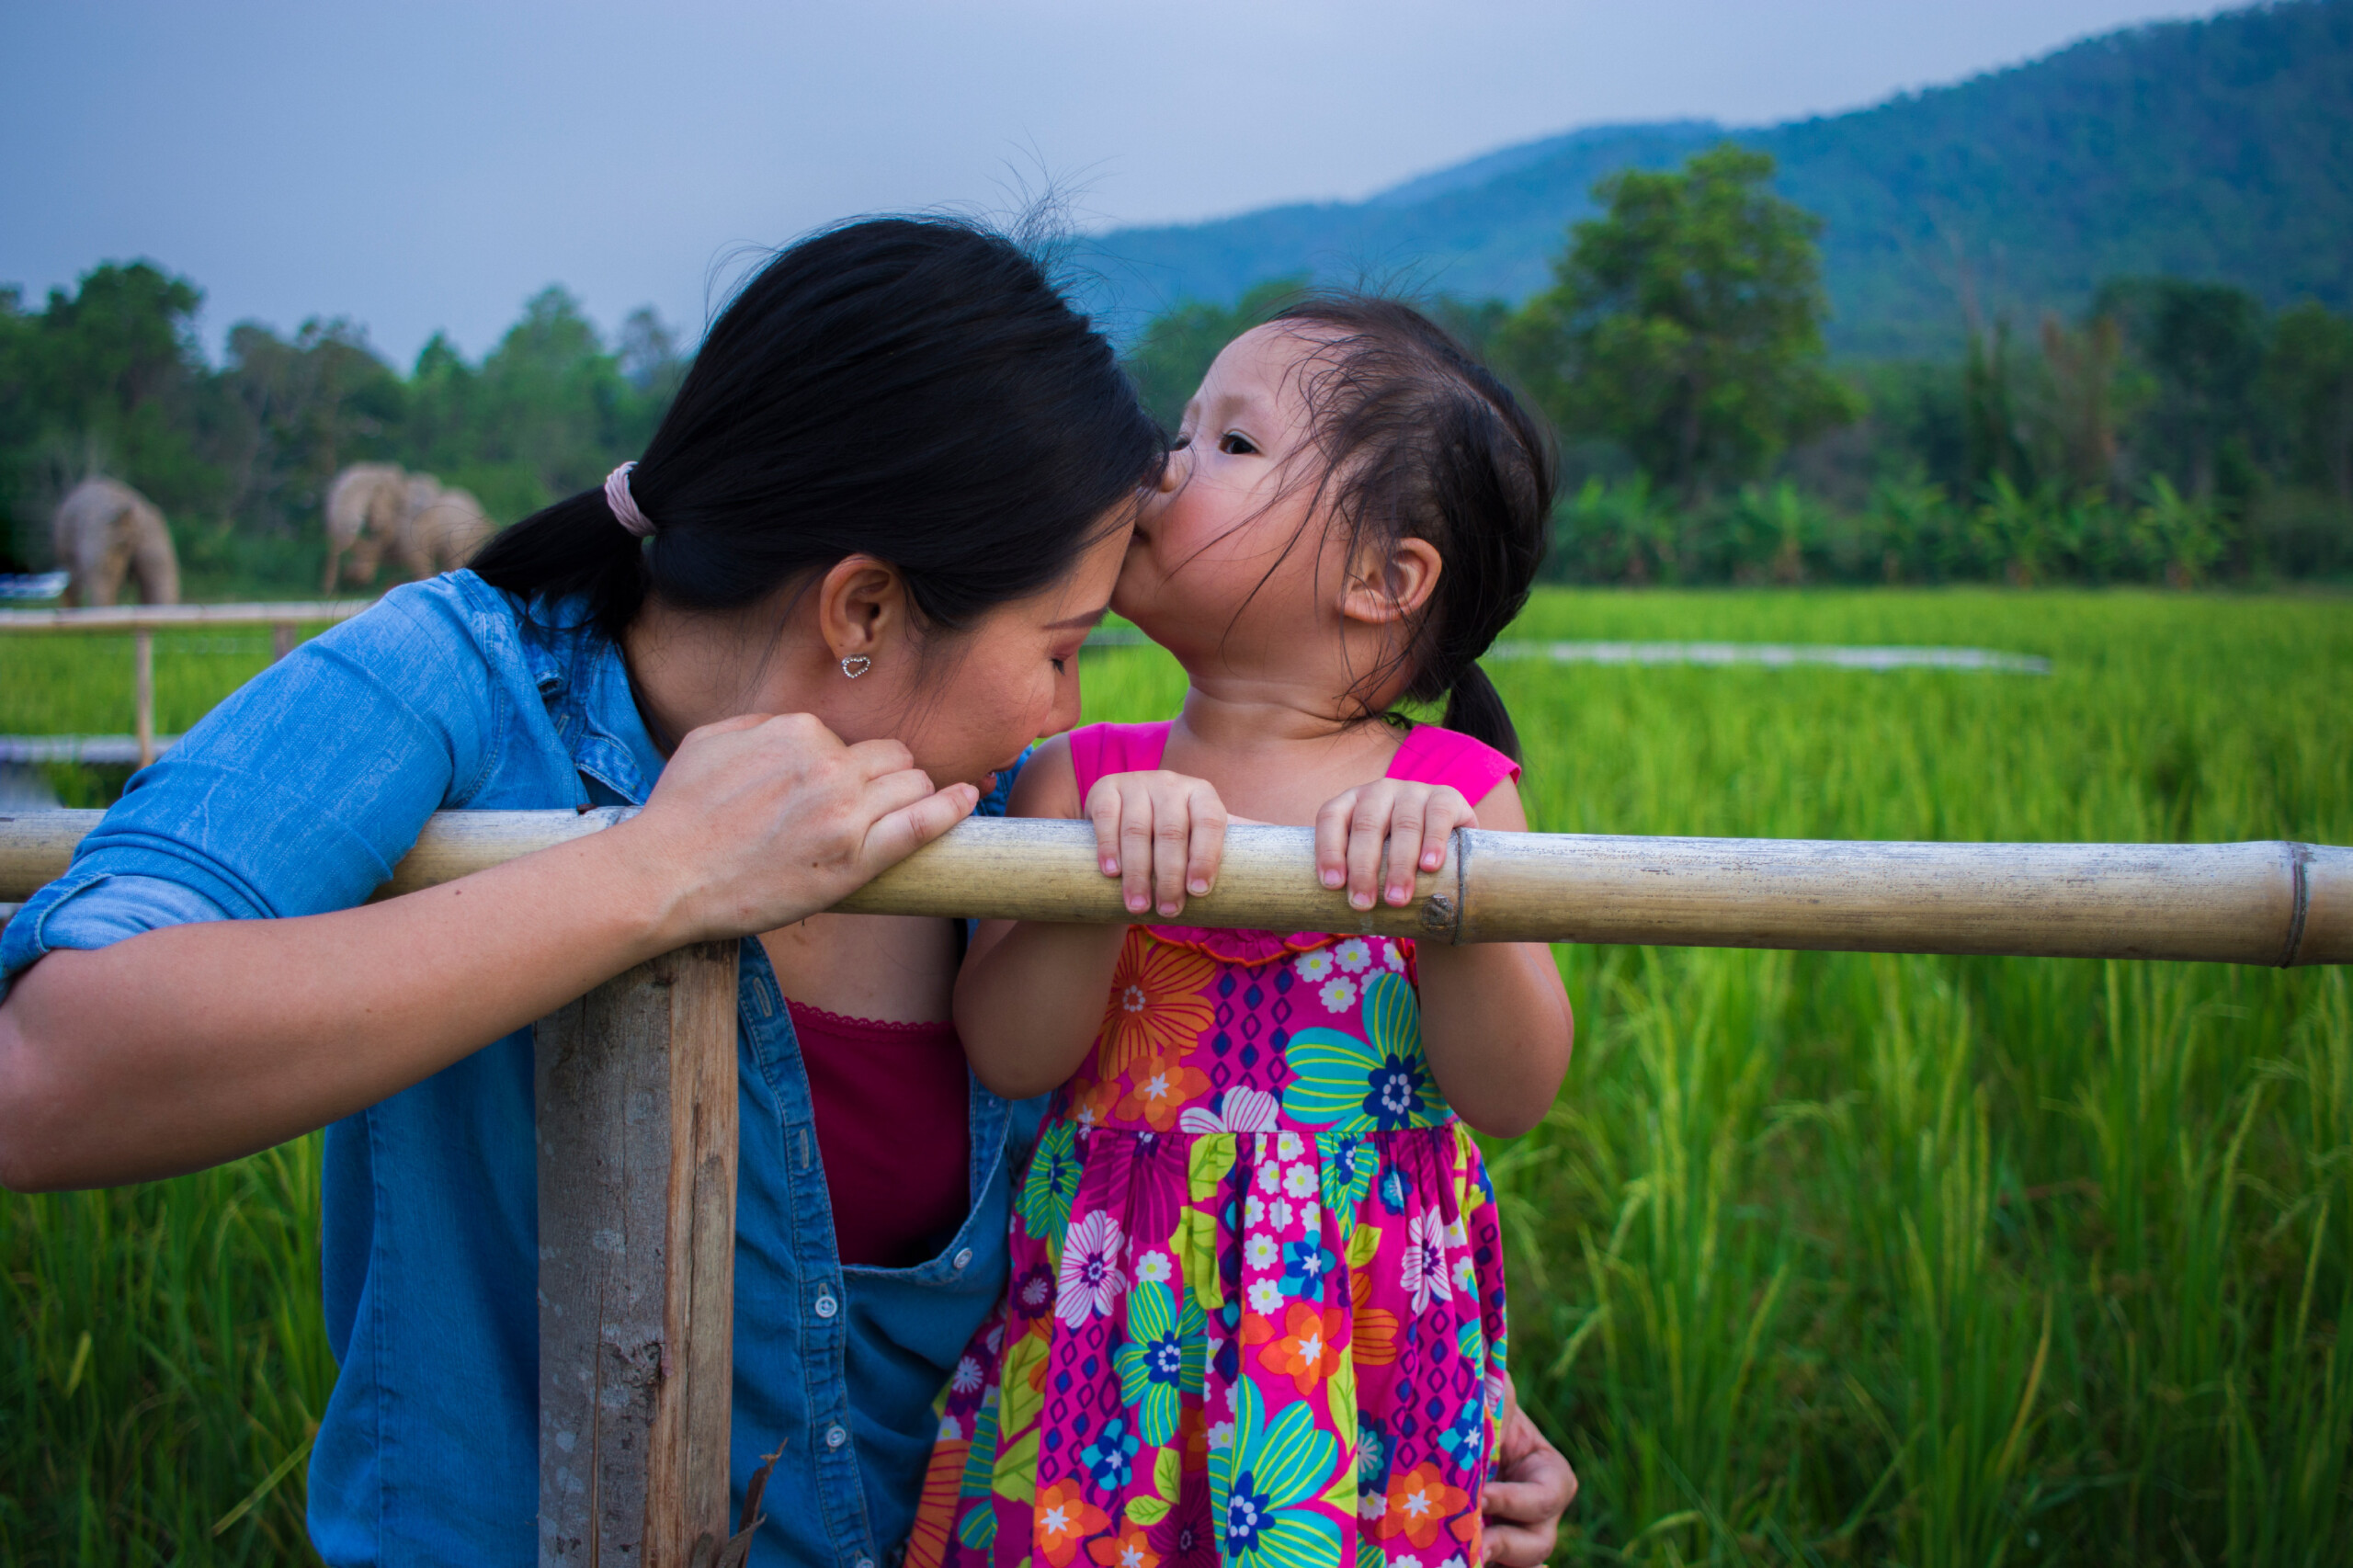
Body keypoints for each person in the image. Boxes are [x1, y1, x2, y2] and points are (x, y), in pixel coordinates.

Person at [0, 226, 1577, 1563]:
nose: (1064, 705)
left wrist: (1412, 1406)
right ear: (866, 610)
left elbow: (1163, 1163)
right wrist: (654, 876)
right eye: (1062, 642)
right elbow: (44, 1073)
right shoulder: (456, 684)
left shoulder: (1024, 809)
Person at [909, 298, 1575, 1567]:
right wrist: (1102, 872)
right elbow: (1009, 1050)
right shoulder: (1082, 772)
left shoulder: (1455, 788)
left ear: (1386, 578)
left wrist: (1451, 894)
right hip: (1112, 1341)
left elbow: (1514, 1087)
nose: (1162, 463)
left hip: (1359, 1356)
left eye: (1231, 444)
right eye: (1183, 426)